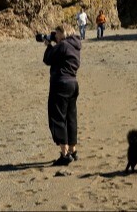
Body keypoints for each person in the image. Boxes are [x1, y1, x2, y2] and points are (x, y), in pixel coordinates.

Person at [42, 23, 81, 166]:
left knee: (58, 117)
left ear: (63, 33)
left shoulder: (63, 45)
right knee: (71, 118)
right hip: (73, 83)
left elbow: (48, 59)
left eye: (57, 33)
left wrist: (48, 45)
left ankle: (64, 154)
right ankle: (73, 150)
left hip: (60, 84)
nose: (55, 36)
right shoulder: (75, 45)